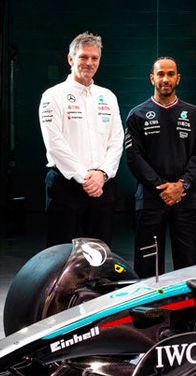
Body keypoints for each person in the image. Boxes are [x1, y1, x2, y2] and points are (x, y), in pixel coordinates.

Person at [125, 57, 196, 278]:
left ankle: (188, 302)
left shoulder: (193, 113)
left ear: (178, 79)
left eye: (170, 74)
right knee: (147, 268)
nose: (165, 79)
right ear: (152, 78)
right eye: (160, 74)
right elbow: (134, 158)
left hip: (186, 198)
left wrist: (182, 185)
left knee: (189, 266)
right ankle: (149, 302)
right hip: (150, 200)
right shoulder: (137, 115)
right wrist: (161, 187)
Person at [38, 32, 123, 246]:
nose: (89, 63)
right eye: (83, 57)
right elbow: (55, 144)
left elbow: (117, 140)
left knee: (99, 253)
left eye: (94, 58)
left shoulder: (108, 96)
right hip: (66, 187)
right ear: (71, 59)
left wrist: (102, 174)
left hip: (102, 186)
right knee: (63, 254)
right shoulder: (52, 96)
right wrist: (85, 177)